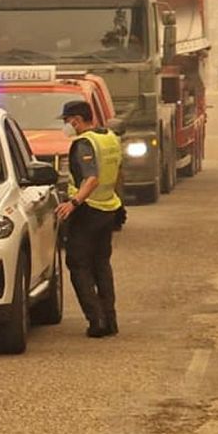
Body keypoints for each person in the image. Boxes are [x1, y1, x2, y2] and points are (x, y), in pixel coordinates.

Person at [55, 100, 125, 338]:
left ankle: (96, 321)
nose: (66, 126)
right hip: (108, 209)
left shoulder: (84, 143)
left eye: (67, 121)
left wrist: (73, 203)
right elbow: (117, 172)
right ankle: (111, 319)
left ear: (76, 120)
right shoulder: (110, 137)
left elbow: (91, 178)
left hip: (87, 211)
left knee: (78, 265)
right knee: (101, 265)